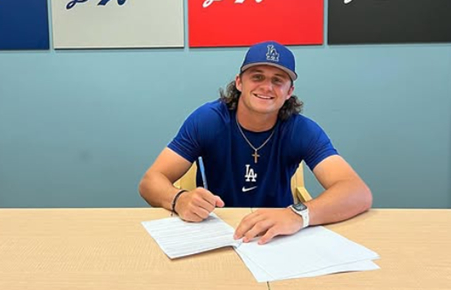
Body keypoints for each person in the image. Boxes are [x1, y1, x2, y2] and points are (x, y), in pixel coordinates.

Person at [139, 41, 372, 245]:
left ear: (289, 92)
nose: (267, 87)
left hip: (277, 233)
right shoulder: (208, 120)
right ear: (239, 82)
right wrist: (179, 199)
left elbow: (357, 192)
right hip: (217, 229)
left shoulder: (301, 129)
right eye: (257, 77)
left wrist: (297, 215)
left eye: (277, 80)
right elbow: (150, 181)